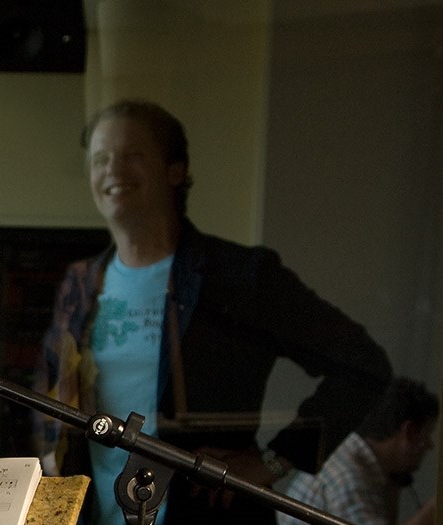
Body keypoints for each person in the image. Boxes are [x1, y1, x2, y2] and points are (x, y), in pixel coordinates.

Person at [32, 99, 394, 525]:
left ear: (175, 171)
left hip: (208, 516)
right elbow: (51, 412)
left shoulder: (242, 276)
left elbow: (362, 364)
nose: (112, 170)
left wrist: (275, 462)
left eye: (132, 155)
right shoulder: (80, 285)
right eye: (100, 159)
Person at [279, 377, 438, 525]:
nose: (430, 446)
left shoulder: (351, 455)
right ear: (409, 432)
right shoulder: (350, 478)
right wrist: (432, 511)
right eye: (427, 436)